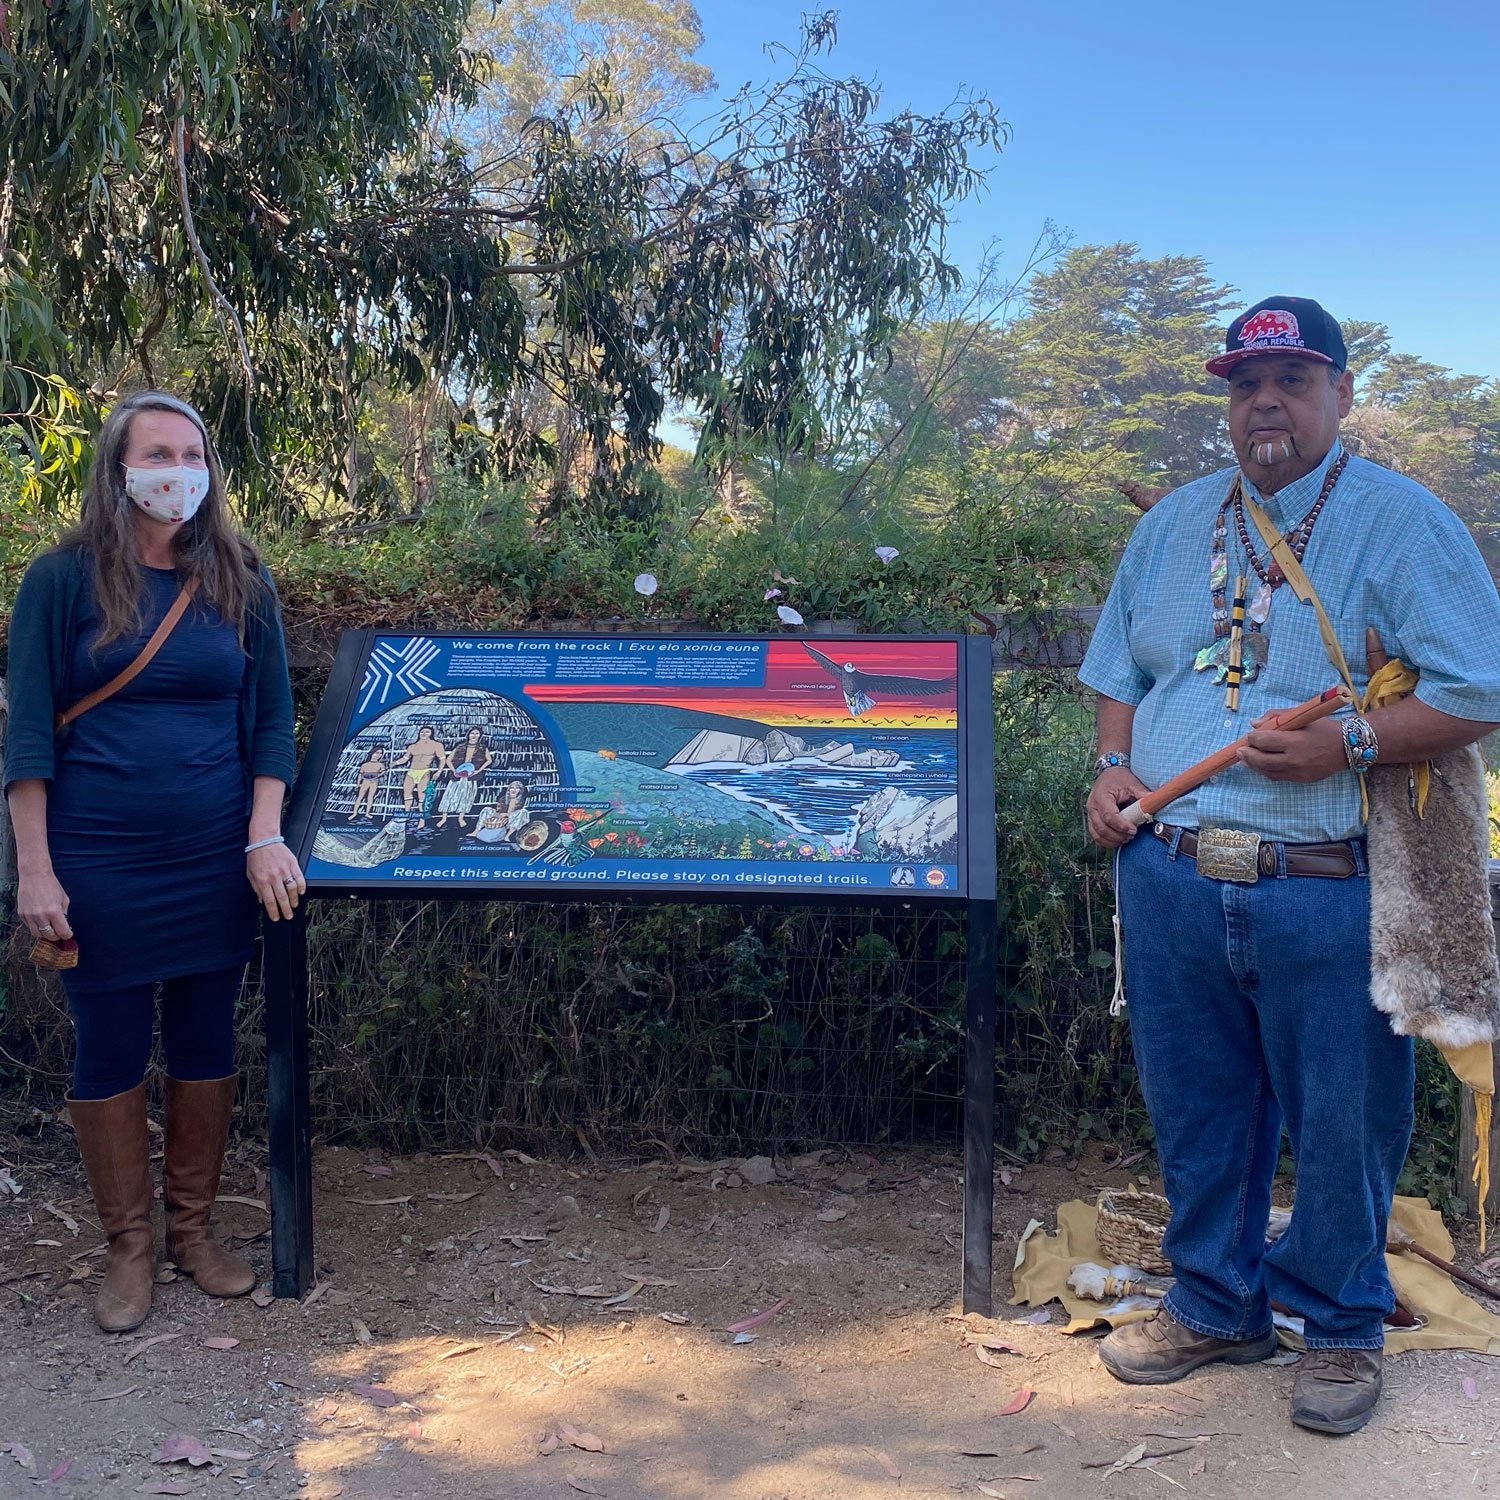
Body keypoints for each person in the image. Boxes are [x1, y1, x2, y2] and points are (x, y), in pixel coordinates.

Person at [1080, 297, 1500, 1434]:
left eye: (1293, 380)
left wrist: (1345, 742)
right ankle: (1218, 1305)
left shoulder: (1405, 525)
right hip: (1168, 875)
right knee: (1200, 1111)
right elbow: (1122, 664)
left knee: (1345, 1119)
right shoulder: (1170, 525)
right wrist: (1113, 770)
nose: (1264, 403)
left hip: (1330, 882)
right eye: (1244, 384)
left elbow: (1478, 687)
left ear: (1341, 394)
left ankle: (1342, 1326)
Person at [5, 390, 302, 1333]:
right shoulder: (59, 584)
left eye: (193, 452)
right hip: (98, 861)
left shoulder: (243, 581)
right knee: (110, 1047)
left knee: (208, 1038)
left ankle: (192, 1232)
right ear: (119, 470)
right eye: (159, 453)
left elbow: (268, 728)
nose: (179, 469)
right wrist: (36, 872)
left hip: (216, 857)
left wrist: (263, 835)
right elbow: (26, 743)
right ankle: (129, 1247)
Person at [436, 728, 492, 830]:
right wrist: (454, 771)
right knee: (449, 795)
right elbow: (449, 760)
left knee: (466, 797)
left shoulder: (483, 748)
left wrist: (478, 770)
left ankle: (461, 818)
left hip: (471, 777)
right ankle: (443, 818)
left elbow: (489, 760)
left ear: (480, 736)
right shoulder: (460, 746)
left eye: (476, 734)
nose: (474, 736)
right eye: (472, 733)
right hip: (457, 776)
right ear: (468, 735)